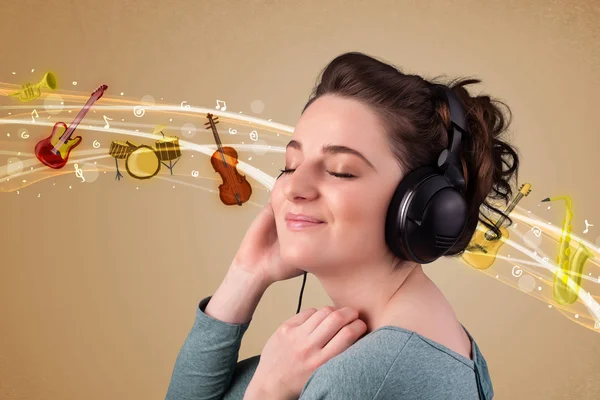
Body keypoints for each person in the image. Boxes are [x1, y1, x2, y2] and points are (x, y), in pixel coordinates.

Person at [165, 51, 520, 400]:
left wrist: (268, 392)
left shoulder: (365, 378)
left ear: (421, 206)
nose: (293, 188)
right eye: (290, 165)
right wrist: (246, 275)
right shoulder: (397, 342)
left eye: (340, 170)